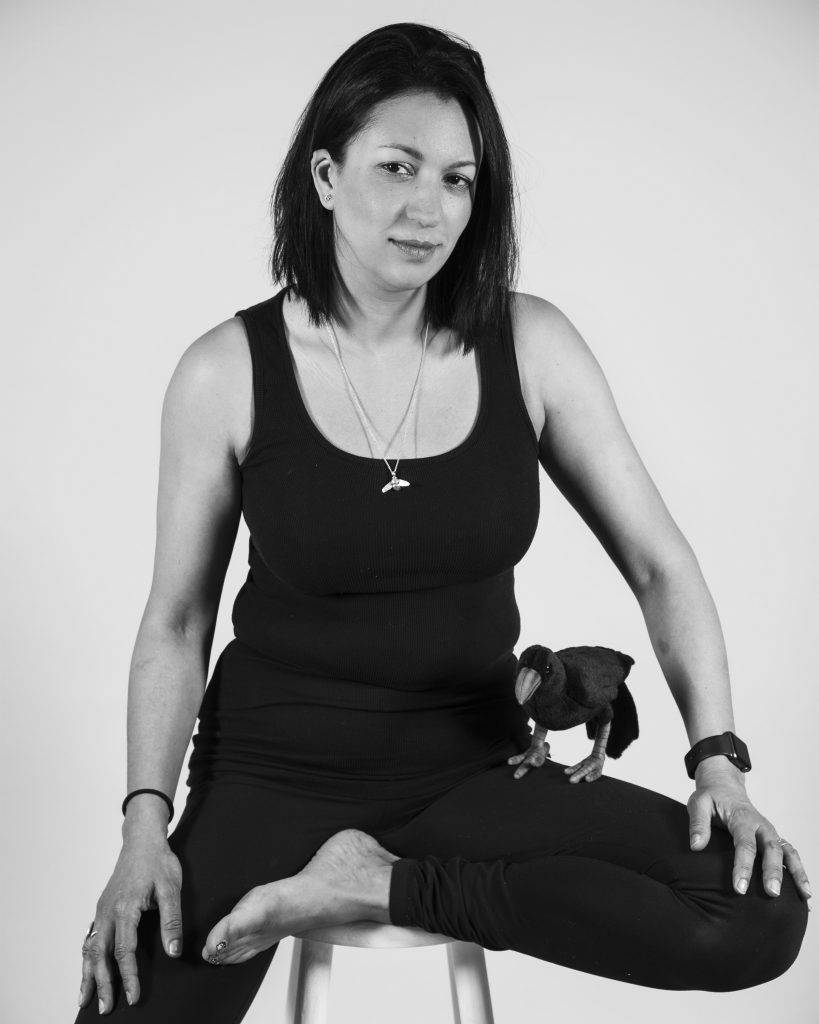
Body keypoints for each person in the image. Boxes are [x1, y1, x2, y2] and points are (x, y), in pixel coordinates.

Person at [75, 21, 809, 1021]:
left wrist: (717, 761)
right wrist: (143, 830)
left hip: (473, 768)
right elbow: (173, 623)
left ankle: (375, 880)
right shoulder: (225, 372)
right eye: (399, 167)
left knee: (757, 909)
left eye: (459, 180)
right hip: (276, 772)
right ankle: (336, 867)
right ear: (327, 177)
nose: (430, 208)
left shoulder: (533, 345)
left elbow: (658, 563)